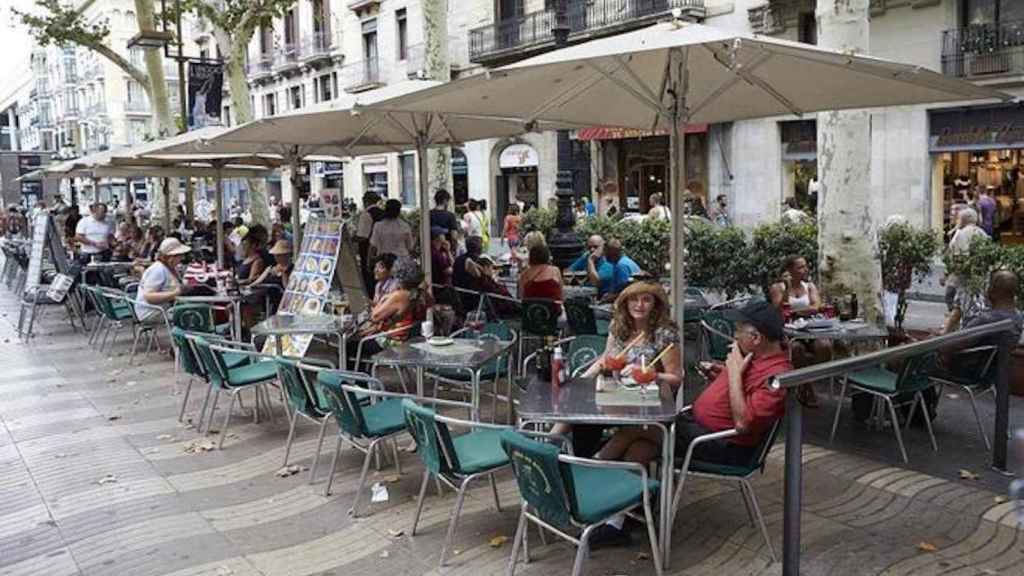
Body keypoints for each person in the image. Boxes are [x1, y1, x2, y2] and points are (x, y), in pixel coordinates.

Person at [602, 299, 789, 467]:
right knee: (639, 450)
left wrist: (732, 373)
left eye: (739, 330)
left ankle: (588, 472)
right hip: (694, 427)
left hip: (722, 445)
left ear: (756, 338)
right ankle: (647, 502)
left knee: (636, 428)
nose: (735, 335)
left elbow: (742, 424)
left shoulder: (776, 375)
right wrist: (721, 374)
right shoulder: (753, 357)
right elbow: (742, 387)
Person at [568, 282, 682, 467]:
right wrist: (580, 382)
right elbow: (606, 360)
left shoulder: (665, 334)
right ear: (625, 303)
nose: (639, 304)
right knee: (583, 421)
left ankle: (591, 465)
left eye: (646, 300)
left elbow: (676, 379)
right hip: (618, 397)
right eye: (634, 299)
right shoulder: (619, 326)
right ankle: (579, 468)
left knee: (636, 451)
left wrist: (653, 374)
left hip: (650, 405)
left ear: (655, 304)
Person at [348, 258, 427, 368]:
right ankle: (363, 378)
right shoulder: (420, 294)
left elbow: (375, 316)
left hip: (395, 341)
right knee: (362, 339)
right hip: (411, 338)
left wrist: (383, 300)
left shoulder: (399, 295)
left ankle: (357, 381)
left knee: (351, 345)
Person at [943, 208, 990, 314]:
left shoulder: (963, 234)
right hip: (978, 275)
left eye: (959, 218)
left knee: (955, 300)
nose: (957, 220)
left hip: (964, 277)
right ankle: (951, 325)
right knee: (963, 303)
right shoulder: (981, 232)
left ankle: (958, 325)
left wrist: (947, 274)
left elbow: (960, 257)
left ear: (964, 219)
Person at [135, 238, 191, 321]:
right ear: (171, 257)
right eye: (180, 255)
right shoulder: (158, 270)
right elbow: (149, 297)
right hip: (152, 312)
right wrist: (175, 293)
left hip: (164, 308)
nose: (182, 258)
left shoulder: (170, 268)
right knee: (194, 313)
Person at [355, 191, 383, 293]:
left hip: (368, 251)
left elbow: (362, 236)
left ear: (365, 201)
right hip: (382, 251)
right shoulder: (383, 213)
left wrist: (351, 238)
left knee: (370, 280)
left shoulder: (366, 215)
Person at [453, 235, 484, 311]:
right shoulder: (468, 261)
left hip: (459, 292)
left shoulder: (461, 258)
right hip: (468, 295)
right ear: (478, 248)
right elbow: (479, 276)